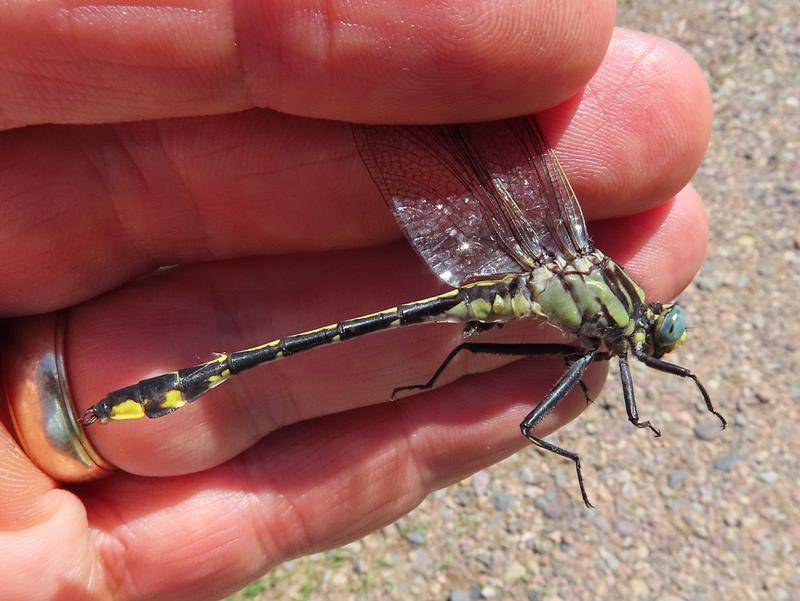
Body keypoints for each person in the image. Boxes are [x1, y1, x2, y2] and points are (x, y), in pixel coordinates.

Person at [0, 2, 713, 599]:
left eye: (657, 332)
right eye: (655, 334)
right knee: (503, 397)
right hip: (510, 278)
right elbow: (603, 404)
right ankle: (164, 388)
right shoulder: (604, 332)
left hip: (513, 275)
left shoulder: (589, 277)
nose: (653, 339)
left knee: (468, 345)